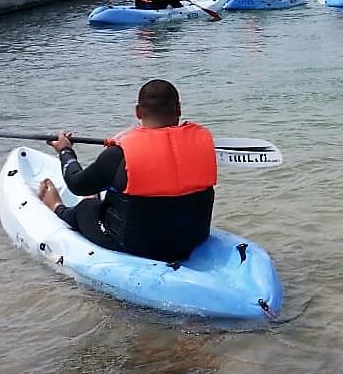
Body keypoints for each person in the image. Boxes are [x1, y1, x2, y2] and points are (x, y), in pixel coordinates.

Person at [37, 80, 218, 262]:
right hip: (194, 238)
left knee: (86, 208)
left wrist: (65, 151)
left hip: (136, 245)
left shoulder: (119, 153)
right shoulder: (203, 143)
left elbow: (76, 184)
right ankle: (95, 190)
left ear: (138, 112)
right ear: (178, 109)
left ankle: (55, 206)